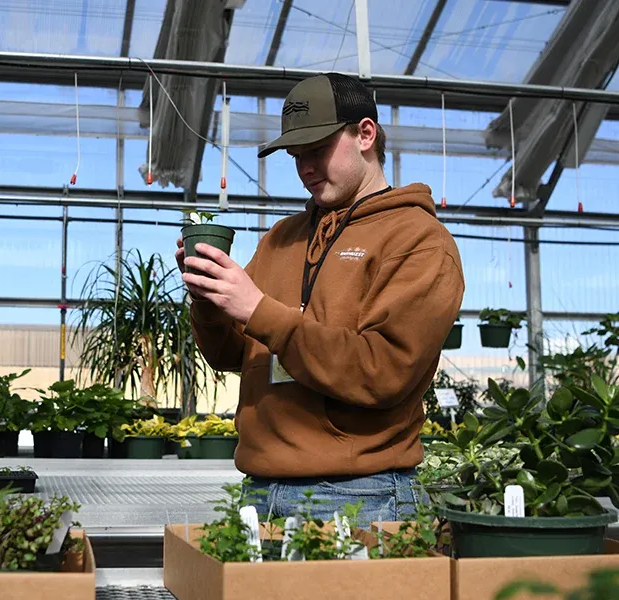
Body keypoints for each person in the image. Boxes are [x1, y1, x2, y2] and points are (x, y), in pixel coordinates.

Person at [175, 73, 464, 523]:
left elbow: (382, 371)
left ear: (365, 134)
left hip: (360, 495)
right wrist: (210, 301)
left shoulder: (418, 240)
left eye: (318, 149)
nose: (305, 167)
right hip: (260, 491)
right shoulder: (282, 238)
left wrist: (257, 309)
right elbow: (234, 354)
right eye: (296, 154)